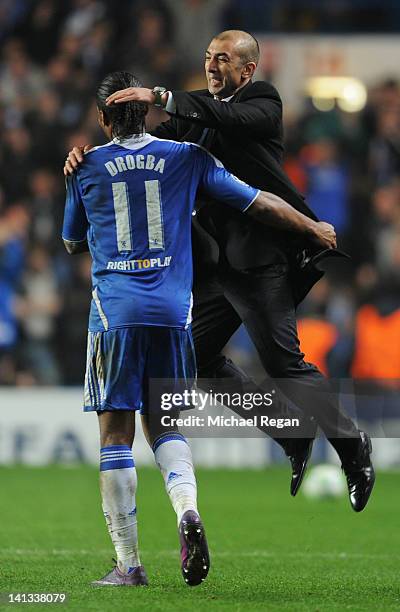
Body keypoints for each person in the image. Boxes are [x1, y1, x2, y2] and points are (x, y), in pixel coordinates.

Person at [65, 30, 375, 512]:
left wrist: (162, 96)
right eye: (209, 57)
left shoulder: (261, 102)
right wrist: (85, 156)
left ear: (247, 69)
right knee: (194, 357)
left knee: (282, 364)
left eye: (224, 59)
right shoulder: (196, 117)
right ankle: (290, 432)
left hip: (262, 259)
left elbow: (227, 118)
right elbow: (142, 148)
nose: (213, 66)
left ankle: (353, 447)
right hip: (216, 266)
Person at [62, 70, 336, 587]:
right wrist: (312, 227)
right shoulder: (187, 157)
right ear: (146, 113)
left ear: (101, 119)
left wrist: (77, 176)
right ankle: (187, 510)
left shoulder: (86, 166)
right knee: (165, 426)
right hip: (173, 315)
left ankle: (129, 564)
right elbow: (260, 201)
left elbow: (74, 242)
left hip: (115, 315)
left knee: (115, 435)